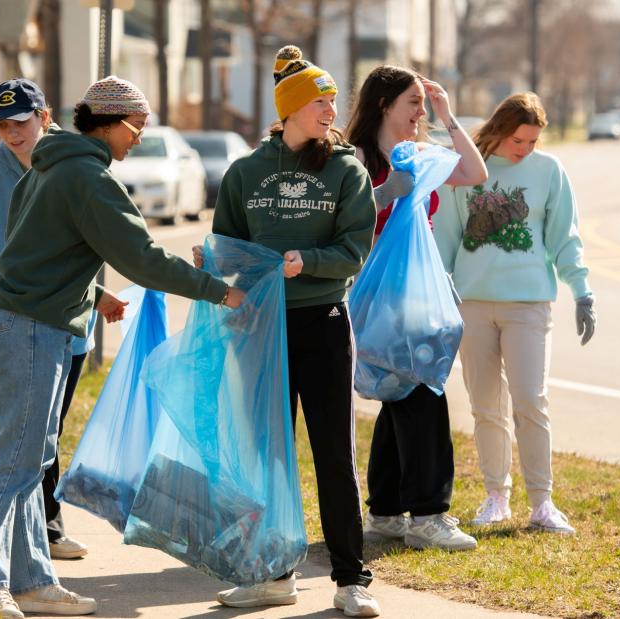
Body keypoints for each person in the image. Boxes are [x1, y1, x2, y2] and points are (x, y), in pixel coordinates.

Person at [0, 75, 245, 618]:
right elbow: (141, 256)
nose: (139, 136)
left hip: (29, 322)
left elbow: (35, 250)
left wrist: (93, 294)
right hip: (30, 327)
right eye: (136, 126)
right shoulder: (86, 177)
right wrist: (218, 291)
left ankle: (32, 581)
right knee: (12, 460)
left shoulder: (50, 169)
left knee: (32, 457)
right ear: (110, 123)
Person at [194, 45, 380, 617]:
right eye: (321, 102)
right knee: (267, 457)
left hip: (323, 324)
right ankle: (274, 574)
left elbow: (354, 248)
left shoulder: (347, 170)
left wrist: (310, 262)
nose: (331, 110)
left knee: (332, 456)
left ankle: (351, 580)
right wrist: (209, 262)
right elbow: (227, 242)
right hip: (260, 328)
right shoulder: (246, 172)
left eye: (331, 101)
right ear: (292, 108)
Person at [433, 92, 596, 536]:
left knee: (530, 402)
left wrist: (582, 291)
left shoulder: (548, 172)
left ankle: (542, 503)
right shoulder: (465, 170)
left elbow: (565, 237)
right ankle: (496, 497)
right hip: (473, 304)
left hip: (528, 305)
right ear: (501, 129)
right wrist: (439, 293)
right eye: (519, 139)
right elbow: (446, 237)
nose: (525, 149)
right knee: (486, 407)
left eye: (532, 141)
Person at [344, 66, 488, 552]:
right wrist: (385, 191)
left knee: (400, 394)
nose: (419, 113)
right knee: (423, 393)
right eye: (413, 103)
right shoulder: (358, 157)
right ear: (384, 104)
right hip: (377, 297)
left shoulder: (417, 155)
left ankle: (385, 512)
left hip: (418, 297)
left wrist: (448, 117)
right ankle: (428, 515)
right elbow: (343, 218)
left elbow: (474, 173)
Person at [0, 78, 92, 566]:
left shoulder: (69, 170)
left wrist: (101, 294)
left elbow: (81, 242)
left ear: (45, 118)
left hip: (71, 323)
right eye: (4, 126)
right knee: (24, 436)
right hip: (10, 322)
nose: (13, 134)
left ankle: (42, 535)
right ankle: (27, 547)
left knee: (47, 435)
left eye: (22, 123)